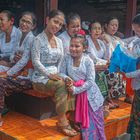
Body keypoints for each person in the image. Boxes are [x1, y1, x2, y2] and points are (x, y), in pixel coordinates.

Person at [31, 9, 77, 137]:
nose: (57, 26)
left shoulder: (60, 42)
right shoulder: (37, 40)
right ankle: (62, 122)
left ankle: (71, 117)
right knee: (61, 85)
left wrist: (66, 77)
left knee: (70, 83)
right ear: (47, 20)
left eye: (60, 24)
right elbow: (35, 62)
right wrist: (48, 74)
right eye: (55, 21)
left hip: (56, 76)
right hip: (40, 78)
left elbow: (60, 66)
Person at [60, 34, 106, 140]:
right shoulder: (66, 58)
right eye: (71, 45)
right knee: (83, 128)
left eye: (77, 46)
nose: (73, 49)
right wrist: (67, 79)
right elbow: (61, 73)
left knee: (94, 126)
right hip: (76, 96)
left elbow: (90, 81)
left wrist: (76, 89)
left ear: (84, 48)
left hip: (91, 98)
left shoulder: (87, 61)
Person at [0, 11, 37, 126]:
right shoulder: (20, 35)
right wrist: (14, 57)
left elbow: (24, 61)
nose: (24, 24)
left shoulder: (32, 39)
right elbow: (12, 55)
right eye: (23, 20)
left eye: (28, 22)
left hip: (27, 77)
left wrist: (8, 73)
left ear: (33, 26)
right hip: (17, 72)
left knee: (0, 81)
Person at [101, 17, 125, 103]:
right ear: (106, 25)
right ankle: (110, 98)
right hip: (107, 62)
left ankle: (128, 96)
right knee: (113, 72)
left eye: (116, 25)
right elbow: (109, 55)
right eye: (112, 25)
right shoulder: (103, 37)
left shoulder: (117, 38)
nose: (114, 27)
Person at [124, 14, 140, 140]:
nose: (137, 34)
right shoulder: (136, 41)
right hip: (137, 86)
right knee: (136, 115)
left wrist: (126, 73)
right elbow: (127, 42)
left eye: (139, 31)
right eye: (135, 31)